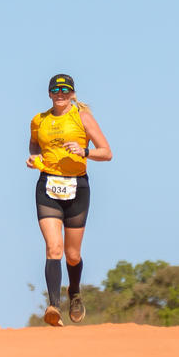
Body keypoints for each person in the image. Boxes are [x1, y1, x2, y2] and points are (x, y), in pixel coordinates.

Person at [26, 74, 112, 326]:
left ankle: (74, 292)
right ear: (49, 94)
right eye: (55, 90)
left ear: (72, 94)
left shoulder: (82, 118)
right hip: (48, 186)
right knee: (54, 248)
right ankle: (54, 306)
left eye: (65, 90)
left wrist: (84, 151)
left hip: (77, 187)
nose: (60, 94)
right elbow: (34, 146)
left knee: (72, 254)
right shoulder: (38, 120)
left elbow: (107, 153)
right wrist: (35, 158)